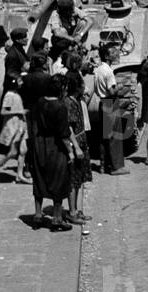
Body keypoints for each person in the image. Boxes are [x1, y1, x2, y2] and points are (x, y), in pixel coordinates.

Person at [30, 75, 79, 231]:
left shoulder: (40, 102)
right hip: (55, 146)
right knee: (59, 180)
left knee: (39, 178)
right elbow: (64, 134)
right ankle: (57, 218)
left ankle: (38, 215)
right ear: (62, 89)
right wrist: (71, 152)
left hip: (39, 143)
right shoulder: (59, 107)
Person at [94, 45, 129, 176]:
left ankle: (103, 165)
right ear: (107, 56)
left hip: (102, 103)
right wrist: (120, 87)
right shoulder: (108, 71)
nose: (117, 54)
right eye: (113, 52)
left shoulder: (98, 69)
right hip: (111, 103)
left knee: (104, 137)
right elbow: (112, 91)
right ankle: (116, 166)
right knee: (115, 137)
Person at [0, 76, 30, 185]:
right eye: (19, 81)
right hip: (12, 127)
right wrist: (19, 111)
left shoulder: (16, 94)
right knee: (12, 153)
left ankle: (19, 175)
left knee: (23, 151)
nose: (21, 83)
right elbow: (3, 111)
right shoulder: (9, 95)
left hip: (20, 127)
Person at [64, 72, 93, 225]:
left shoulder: (76, 100)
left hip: (81, 140)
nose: (84, 87)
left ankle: (75, 208)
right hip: (75, 143)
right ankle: (72, 212)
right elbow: (68, 127)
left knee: (79, 179)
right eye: (82, 85)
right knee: (73, 179)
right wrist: (76, 147)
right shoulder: (69, 103)